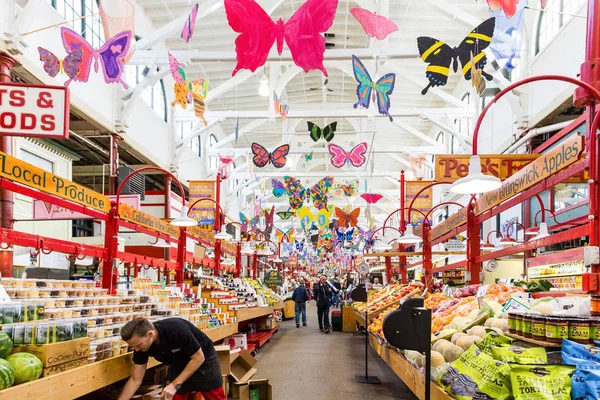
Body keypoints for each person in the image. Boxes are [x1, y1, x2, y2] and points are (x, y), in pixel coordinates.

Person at [117, 317, 225, 400]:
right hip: (177, 363)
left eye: (138, 345)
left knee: (214, 395)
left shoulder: (176, 330)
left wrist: (175, 384)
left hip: (203, 359)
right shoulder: (141, 346)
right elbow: (136, 379)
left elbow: (198, 358)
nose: (136, 349)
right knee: (172, 396)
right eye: (133, 346)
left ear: (150, 334)